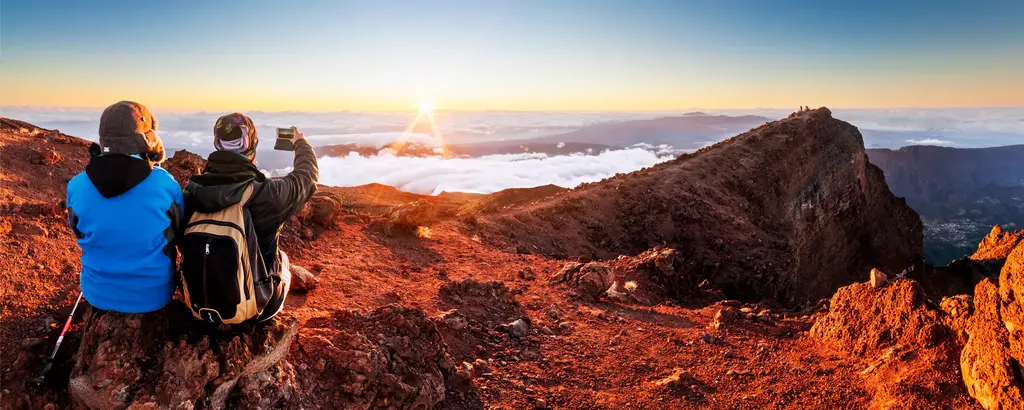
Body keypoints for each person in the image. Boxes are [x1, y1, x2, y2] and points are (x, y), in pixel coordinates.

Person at [182, 113, 318, 321]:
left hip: (198, 306)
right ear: (252, 144)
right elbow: (306, 178)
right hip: (255, 309)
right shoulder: (266, 194)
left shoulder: (191, 191)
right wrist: (300, 143)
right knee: (283, 259)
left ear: (217, 144)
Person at [66, 101, 183, 313]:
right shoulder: (165, 185)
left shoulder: (76, 186)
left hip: (96, 293)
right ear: (147, 138)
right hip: (154, 295)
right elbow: (179, 229)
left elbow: (77, 231)